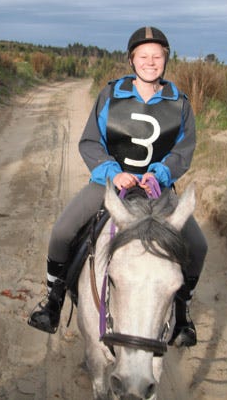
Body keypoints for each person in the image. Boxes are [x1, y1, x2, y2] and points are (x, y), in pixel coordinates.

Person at [28, 26, 207, 347]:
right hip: (109, 185)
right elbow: (90, 142)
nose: (150, 62)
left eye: (157, 56)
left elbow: (184, 151)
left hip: (158, 190)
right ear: (132, 59)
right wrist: (114, 173)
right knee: (62, 232)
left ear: (166, 59)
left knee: (197, 245)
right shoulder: (110, 95)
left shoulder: (180, 103)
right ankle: (53, 302)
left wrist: (160, 175)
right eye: (143, 56)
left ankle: (182, 314)